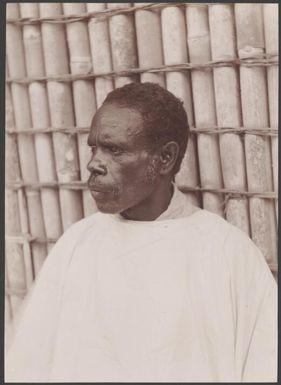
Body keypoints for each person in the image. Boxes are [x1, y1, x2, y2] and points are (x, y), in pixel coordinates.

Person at [5, 82, 277, 382]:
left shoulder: (226, 252)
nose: (94, 163)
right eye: (94, 148)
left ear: (165, 159)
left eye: (114, 150)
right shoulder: (77, 245)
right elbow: (26, 366)